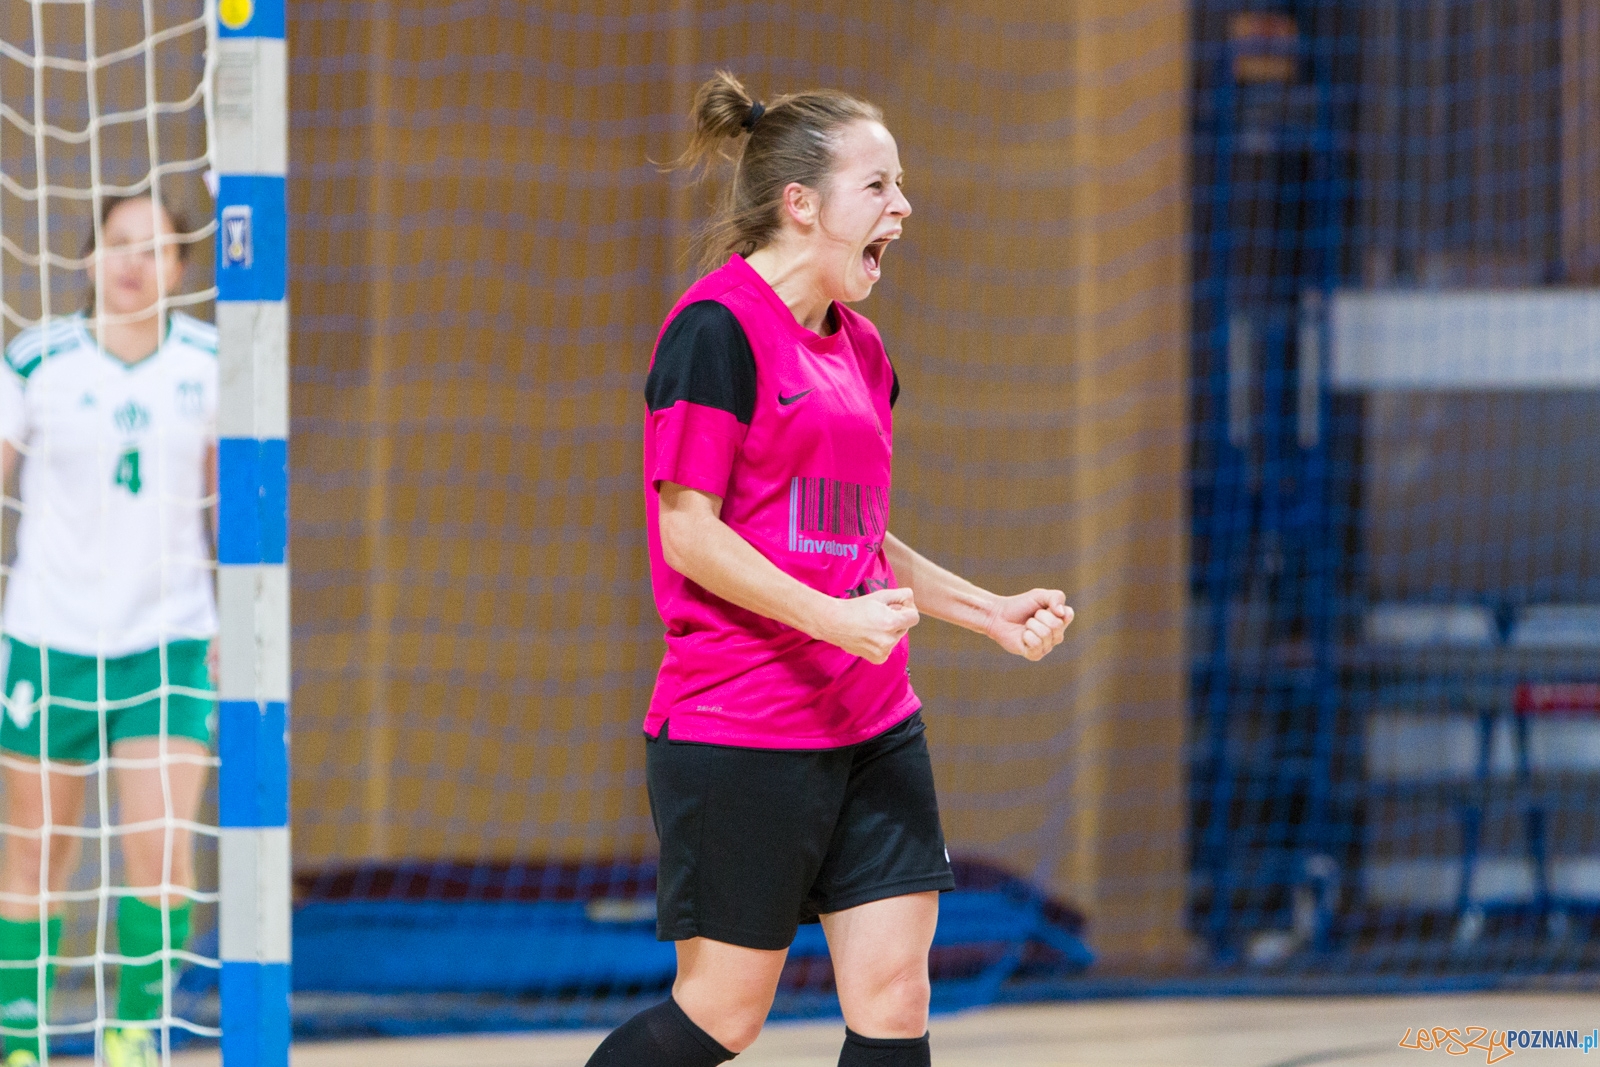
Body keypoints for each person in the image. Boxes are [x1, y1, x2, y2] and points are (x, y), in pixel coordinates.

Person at [585, 73, 1073, 1067]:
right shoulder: (714, 332)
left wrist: (986, 610)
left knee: (894, 995)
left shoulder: (863, 348)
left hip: (874, 721)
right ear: (799, 203)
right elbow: (690, 533)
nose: (903, 207)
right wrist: (829, 619)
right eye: (879, 186)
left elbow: (854, 537)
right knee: (722, 1013)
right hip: (740, 719)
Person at [0, 194, 218, 1067]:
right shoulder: (36, 359)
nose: (134, 261)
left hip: (164, 643)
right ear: (88, 260)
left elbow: (233, 510)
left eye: (156, 249)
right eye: (119, 244)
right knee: (35, 856)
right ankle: (18, 1043)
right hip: (47, 640)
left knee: (160, 856)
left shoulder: (211, 363)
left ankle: (130, 1039)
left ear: (178, 270)